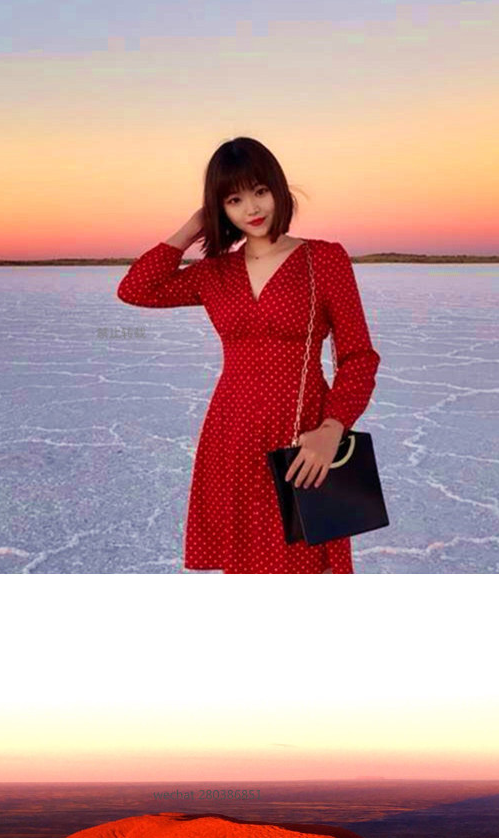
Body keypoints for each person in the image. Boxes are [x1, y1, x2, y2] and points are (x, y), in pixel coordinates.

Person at [117, 137, 381, 573]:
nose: (252, 208)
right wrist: (189, 229)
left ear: (279, 189)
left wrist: (333, 428)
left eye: (260, 191)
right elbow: (135, 290)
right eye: (234, 199)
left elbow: (358, 356)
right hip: (231, 435)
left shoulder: (324, 259)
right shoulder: (215, 273)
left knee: (305, 564)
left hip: (303, 435)